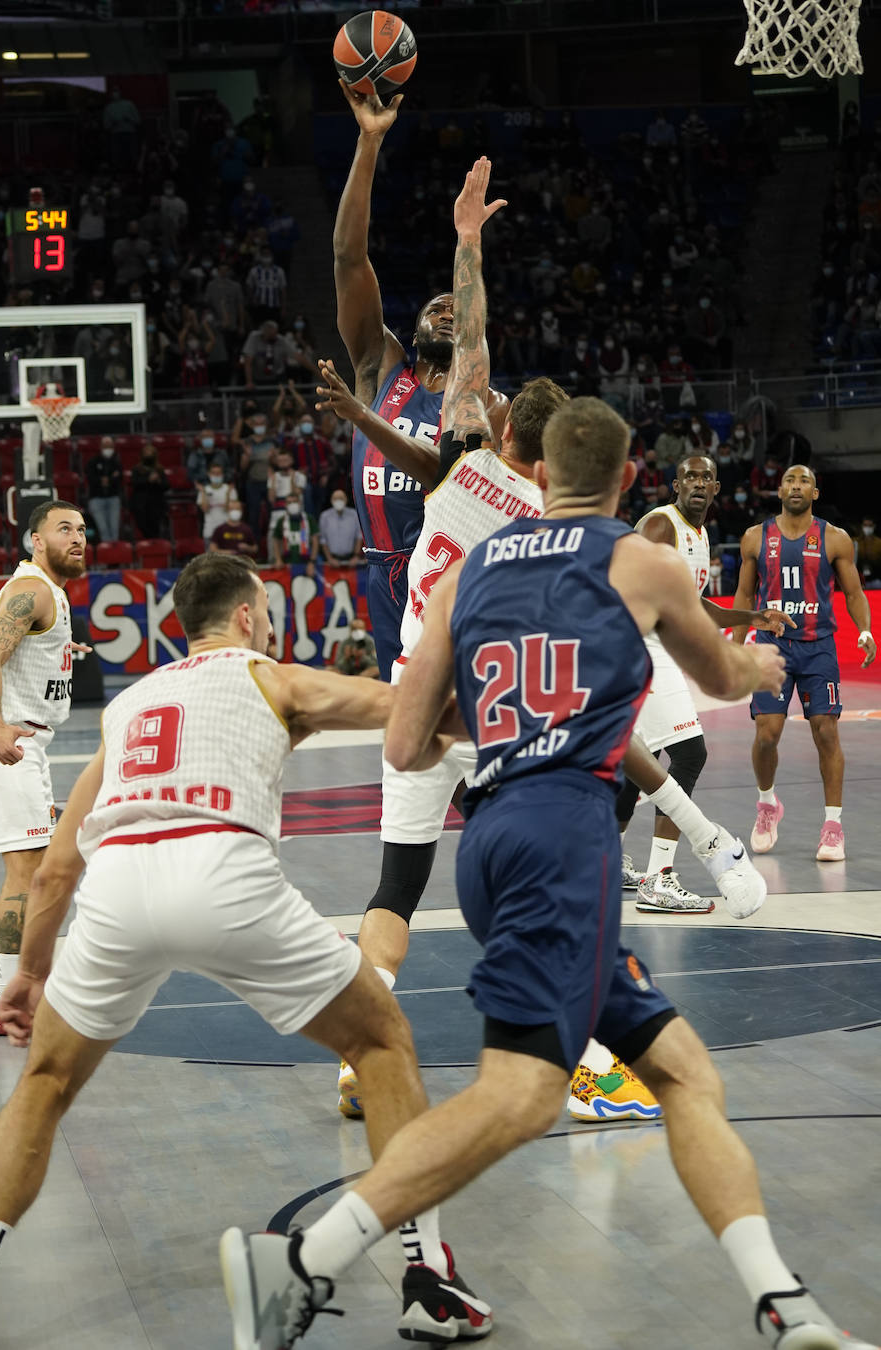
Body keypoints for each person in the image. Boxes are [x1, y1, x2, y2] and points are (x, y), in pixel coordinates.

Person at [221, 399, 877, 1350]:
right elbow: (725, 680)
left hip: (493, 833)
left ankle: (782, 1304)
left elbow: (405, 743)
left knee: (683, 1073)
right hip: (561, 840)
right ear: (623, 478)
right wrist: (762, 659)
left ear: (532, 464)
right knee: (522, 1094)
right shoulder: (638, 559)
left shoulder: (465, 569)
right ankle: (300, 1262)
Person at [0, 553, 490, 1349]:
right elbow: (402, 709)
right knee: (380, 1042)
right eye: (267, 612)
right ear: (247, 617)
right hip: (223, 877)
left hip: (118, 893)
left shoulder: (132, 704)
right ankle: (426, 1278)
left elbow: (60, 867)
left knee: (44, 1083)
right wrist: (509, 710)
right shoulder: (270, 676)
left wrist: (29, 974)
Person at [322, 161, 766, 1130]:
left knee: (396, 883)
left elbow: (470, 341)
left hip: (413, 683)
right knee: (567, 870)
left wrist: (466, 242)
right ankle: (594, 1057)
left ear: (497, 426)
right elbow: (476, 345)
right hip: (493, 703)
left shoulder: (458, 469)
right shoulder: (549, 515)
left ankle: (362, 1050)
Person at [332, 81, 508, 681]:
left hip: (452, 567)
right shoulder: (378, 367)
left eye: (455, 307)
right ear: (410, 326)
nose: (446, 309)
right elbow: (348, 259)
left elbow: (446, 472)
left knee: (465, 718)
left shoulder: (481, 403)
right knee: (406, 727)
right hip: (383, 570)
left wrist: (469, 243)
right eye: (436, 304)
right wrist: (368, 142)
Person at [616, 453, 794, 912]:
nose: (699, 482)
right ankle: (659, 877)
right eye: (690, 475)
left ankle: (606, 860)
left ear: (716, 488)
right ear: (675, 484)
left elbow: (697, 608)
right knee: (690, 753)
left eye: (707, 477)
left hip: (652, 648)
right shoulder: (661, 526)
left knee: (640, 761)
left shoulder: (699, 534)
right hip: (641, 648)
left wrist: (755, 615)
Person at [0, 501, 89, 1036]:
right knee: (29, 872)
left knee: (39, 869)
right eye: (64, 529)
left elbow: (23, 648)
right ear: (36, 540)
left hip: (27, 739)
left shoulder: (47, 593)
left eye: (82, 529)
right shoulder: (30, 589)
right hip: (8, 737)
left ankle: (17, 987)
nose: (78, 537)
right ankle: (8, 998)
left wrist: (61, 646)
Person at [733, 465, 876, 861]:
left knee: (826, 732)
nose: (796, 486)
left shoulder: (834, 537)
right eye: (790, 481)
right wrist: (738, 641)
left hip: (818, 648)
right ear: (778, 490)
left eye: (804, 482)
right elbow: (744, 595)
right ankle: (767, 805)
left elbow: (853, 591)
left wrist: (864, 630)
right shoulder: (754, 538)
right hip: (771, 645)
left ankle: (833, 826)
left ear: (815, 492)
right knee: (766, 735)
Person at [84, 437, 124, 544]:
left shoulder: (117, 462)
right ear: (101, 447)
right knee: (103, 529)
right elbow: (90, 478)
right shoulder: (93, 462)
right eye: (105, 446)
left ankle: (115, 556)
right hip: (96, 499)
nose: (108, 448)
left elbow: (119, 478)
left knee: (114, 529)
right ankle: (107, 554)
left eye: (110, 445)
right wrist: (108, 479)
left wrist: (107, 479)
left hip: (113, 498)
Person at [129, 442, 169, 539]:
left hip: (156, 503)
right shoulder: (137, 469)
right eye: (146, 452)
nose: (148, 454)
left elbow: (166, 486)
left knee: (156, 525)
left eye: (150, 452)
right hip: (141, 504)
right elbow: (134, 483)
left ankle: (155, 543)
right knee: (143, 525)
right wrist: (148, 480)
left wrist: (158, 480)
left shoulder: (159, 469)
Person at [317, 492, 362, 568]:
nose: (338, 501)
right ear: (331, 500)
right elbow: (322, 539)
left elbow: (359, 536)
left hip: (351, 559)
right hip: (331, 560)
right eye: (335, 499)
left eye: (341, 498)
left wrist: (356, 556)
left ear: (346, 500)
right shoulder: (325, 516)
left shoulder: (354, 514)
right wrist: (329, 558)